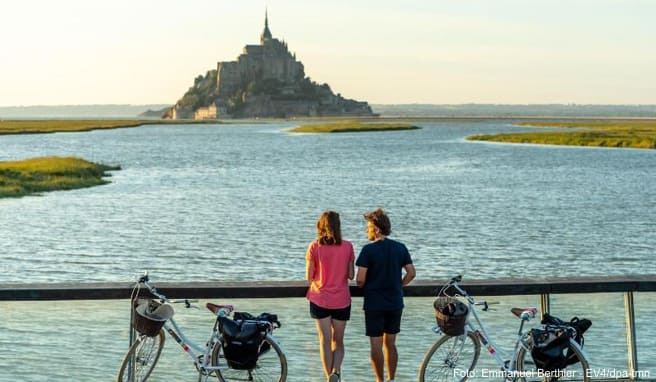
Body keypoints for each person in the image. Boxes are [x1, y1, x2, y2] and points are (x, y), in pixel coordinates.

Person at [356, 208, 416, 382]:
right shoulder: (400, 247)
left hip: (374, 304)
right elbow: (411, 273)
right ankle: (392, 379)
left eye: (368, 227)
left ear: (375, 228)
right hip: (395, 302)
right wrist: (399, 284)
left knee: (376, 345)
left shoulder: (368, 250)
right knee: (390, 343)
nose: (367, 230)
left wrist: (364, 285)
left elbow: (360, 279)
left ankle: (379, 380)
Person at [306, 211, 355, 382]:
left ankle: (329, 377)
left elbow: (309, 276)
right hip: (341, 300)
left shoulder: (314, 246)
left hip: (320, 298)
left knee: (324, 340)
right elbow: (351, 275)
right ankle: (336, 372)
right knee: (338, 341)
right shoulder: (348, 246)